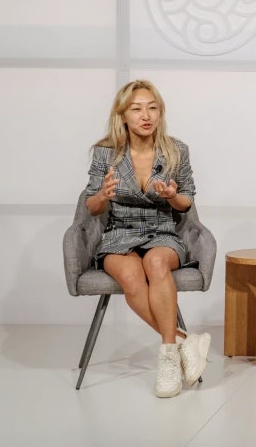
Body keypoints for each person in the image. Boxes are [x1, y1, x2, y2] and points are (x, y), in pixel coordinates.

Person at [84, 80, 211, 398]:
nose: (146, 115)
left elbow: (187, 201)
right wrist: (102, 194)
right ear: (122, 114)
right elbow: (92, 205)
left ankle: (168, 355)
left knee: (156, 262)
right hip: (119, 233)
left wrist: (172, 196)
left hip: (162, 231)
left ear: (160, 113)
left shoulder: (176, 150)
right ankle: (184, 341)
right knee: (129, 275)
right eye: (137, 108)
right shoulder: (105, 153)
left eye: (152, 108)